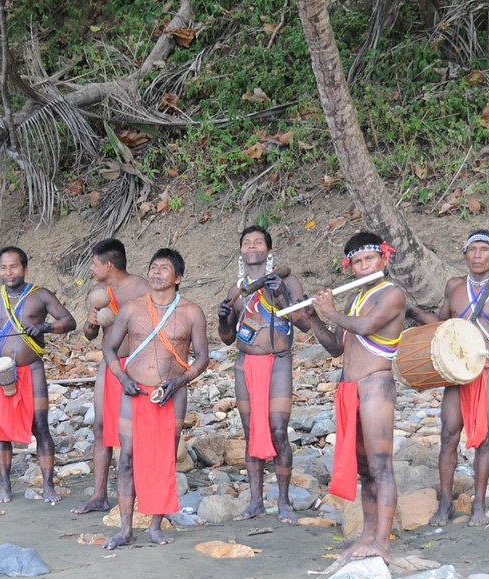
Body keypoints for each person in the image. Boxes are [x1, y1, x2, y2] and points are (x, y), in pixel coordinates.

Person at [407, 229, 489, 527]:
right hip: (456, 370)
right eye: (473, 250)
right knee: (448, 435)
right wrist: (413, 312)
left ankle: (478, 506)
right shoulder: (454, 286)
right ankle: (444, 505)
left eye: (484, 250)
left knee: (483, 439)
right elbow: (441, 325)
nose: (478, 255)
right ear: (465, 254)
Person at [295, 231, 405, 564]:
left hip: (376, 385)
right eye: (357, 262)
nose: (363, 266)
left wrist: (329, 310)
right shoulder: (353, 300)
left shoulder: (393, 294)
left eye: (369, 259)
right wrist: (314, 318)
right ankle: (368, 536)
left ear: (384, 259)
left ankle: (382, 543)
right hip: (351, 388)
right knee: (365, 470)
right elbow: (336, 346)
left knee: (382, 467)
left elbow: (365, 326)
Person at [100, 248, 209, 550]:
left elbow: (202, 358)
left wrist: (179, 381)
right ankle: (125, 528)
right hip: (132, 391)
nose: (156, 273)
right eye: (153, 267)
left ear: (179, 278)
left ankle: (155, 526)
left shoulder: (191, 312)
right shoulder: (132, 308)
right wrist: (122, 378)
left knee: (163, 459)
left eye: (164, 268)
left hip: (171, 393)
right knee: (127, 458)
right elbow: (110, 349)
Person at [0, 246, 76, 504]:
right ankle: (5, 486)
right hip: (2, 371)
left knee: (40, 426)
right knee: (2, 431)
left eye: (14, 267)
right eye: (4, 268)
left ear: (24, 268)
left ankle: (48, 486)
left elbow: (68, 321)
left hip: (33, 370)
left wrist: (44, 326)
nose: (9, 272)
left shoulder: (40, 296)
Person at [217, 225, 310, 524]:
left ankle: (283, 501)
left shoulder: (287, 280)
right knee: (250, 431)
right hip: (246, 364)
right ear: (241, 251)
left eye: (259, 242)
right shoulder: (237, 289)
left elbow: (304, 322)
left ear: (269, 251)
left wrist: (280, 296)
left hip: (279, 361)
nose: (252, 246)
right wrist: (223, 319)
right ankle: (255, 501)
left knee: (279, 430)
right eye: (247, 242)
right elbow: (228, 337)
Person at [71, 239, 150, 515]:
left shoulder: (141, 287)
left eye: (94, 263)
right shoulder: (98, 290)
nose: (91, 268)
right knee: (101, 428)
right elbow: (90, 335)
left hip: (137, 363)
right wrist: (91, 322)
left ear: (108, 264)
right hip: (110, 363)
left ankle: (139, 493)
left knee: (134, 430)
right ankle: (99, 495)